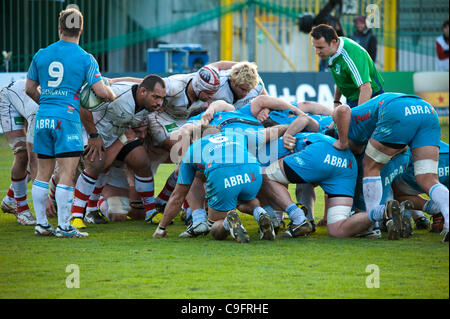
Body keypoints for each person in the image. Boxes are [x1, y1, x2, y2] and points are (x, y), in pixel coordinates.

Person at [25, 8, 116, 238]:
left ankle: (41, 224)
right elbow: (99, 91)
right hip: (67, 118)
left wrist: (47, 103)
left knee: (43, 173)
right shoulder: (86, 58)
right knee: (67, 173)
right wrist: (111, 94)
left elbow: (28, 88)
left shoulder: (41, 54)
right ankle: (64, 227)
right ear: (81, 30)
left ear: (60, 28)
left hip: (44, 116)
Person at [332, 92, 449, 242]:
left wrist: (342, 143)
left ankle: (371, 225)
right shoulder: (368, 128)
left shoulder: (344, 125)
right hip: (427, 110)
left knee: (370, 166)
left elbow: (342, 110)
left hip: (396, 108)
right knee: (428, 179)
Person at [70, 75, 166, 229]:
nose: (159, 102)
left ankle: (151, 212)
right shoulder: (117, 95)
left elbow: (143, 83)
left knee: (141, 160)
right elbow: (83, 105)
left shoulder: (149, 103)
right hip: (96, 133)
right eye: (155, 97)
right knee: (97, 165)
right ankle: (77, 215)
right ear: (143, 92)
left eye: (161, 98)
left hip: (119, 133)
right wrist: (94, 135)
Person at [153, 127, 275, 243]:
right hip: (253, 170)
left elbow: (177, 197)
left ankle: (227, 222)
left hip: (222, 174)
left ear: (195, 139)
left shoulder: (192, 149)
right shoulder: (235, 134)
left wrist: (161, 228)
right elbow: (267, 134)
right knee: (244, 200)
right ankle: (260, 213)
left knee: (215, 226)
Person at [310, 24, 384, 108]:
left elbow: (366, 88)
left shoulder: (352, 56)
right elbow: (341, 77)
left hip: (370, 99)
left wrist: (359, 116)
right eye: (315, 47)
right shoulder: (331, 50)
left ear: (333, 42)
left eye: (320, 48)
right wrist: (336, 101)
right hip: (352, 99)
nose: (317, 52)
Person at [0, 79, 39, 225]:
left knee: (46, 154)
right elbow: (35, 161)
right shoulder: (38, 113)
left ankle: (10, 199)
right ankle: (22, 210)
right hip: (9, 100)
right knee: (23, 153)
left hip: (26, 101)